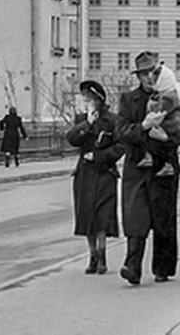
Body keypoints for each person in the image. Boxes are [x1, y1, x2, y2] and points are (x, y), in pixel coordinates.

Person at [115, 51, 180, 286]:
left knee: (164, 218)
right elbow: (121, 132)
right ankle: (132, 267)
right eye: (144, 74)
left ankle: (163, 268)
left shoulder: (172, 96)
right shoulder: (129, 100)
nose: (150, 77)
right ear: (138, 76)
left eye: (153, 72)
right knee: (135, 216)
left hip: (165, 164)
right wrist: (143, 126)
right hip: (137, 166)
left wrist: (166, 138)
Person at [67, 80, 124, 275]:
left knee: (102, 215)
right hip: (84, 174)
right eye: (83, 98)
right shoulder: (82, 119)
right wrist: (87, 123)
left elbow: (120, 146)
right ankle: (92, 255)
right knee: (87, 215)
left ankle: (102, 255)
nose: (85, 102)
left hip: (104, 172)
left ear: (98, 99)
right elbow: (72, 139)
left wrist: (100, 157)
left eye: (88, 98)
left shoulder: (113, 120)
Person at [135, 61, 180, 178]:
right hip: (172, 122)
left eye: (154, 76)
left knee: (151, 132)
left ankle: (157, 160)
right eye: (145, 74)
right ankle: (151, 157)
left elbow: (161, 109)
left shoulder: (169, 95)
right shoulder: (170, 92)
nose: (151, 78)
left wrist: (151, 104)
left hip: (172, 124)